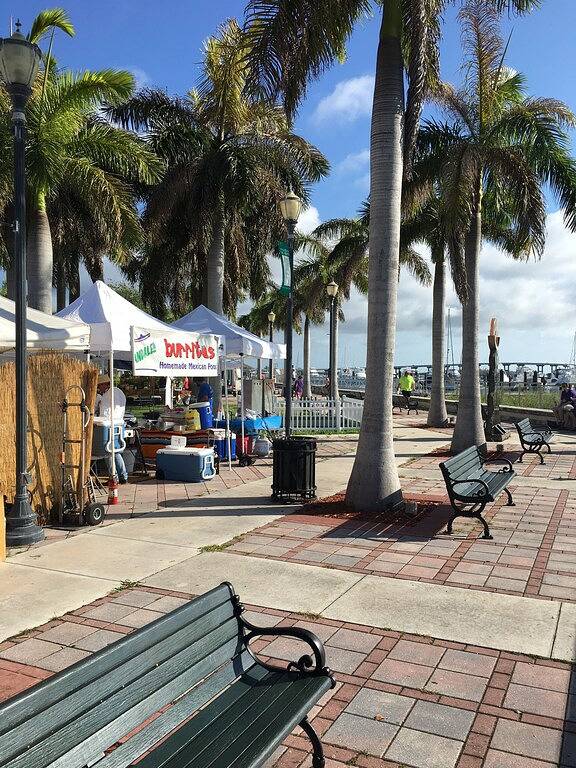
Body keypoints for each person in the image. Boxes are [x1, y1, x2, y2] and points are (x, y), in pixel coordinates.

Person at [95, 373, 128, 483]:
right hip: (118, 424)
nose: (99, 388)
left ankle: (114, 477)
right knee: (116, 451)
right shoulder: (117, 391)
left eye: (100, 386)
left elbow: (107, 413)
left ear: (105, 384)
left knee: (107, 451)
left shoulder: (110, 394)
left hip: (109, 425)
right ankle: (123, 476)